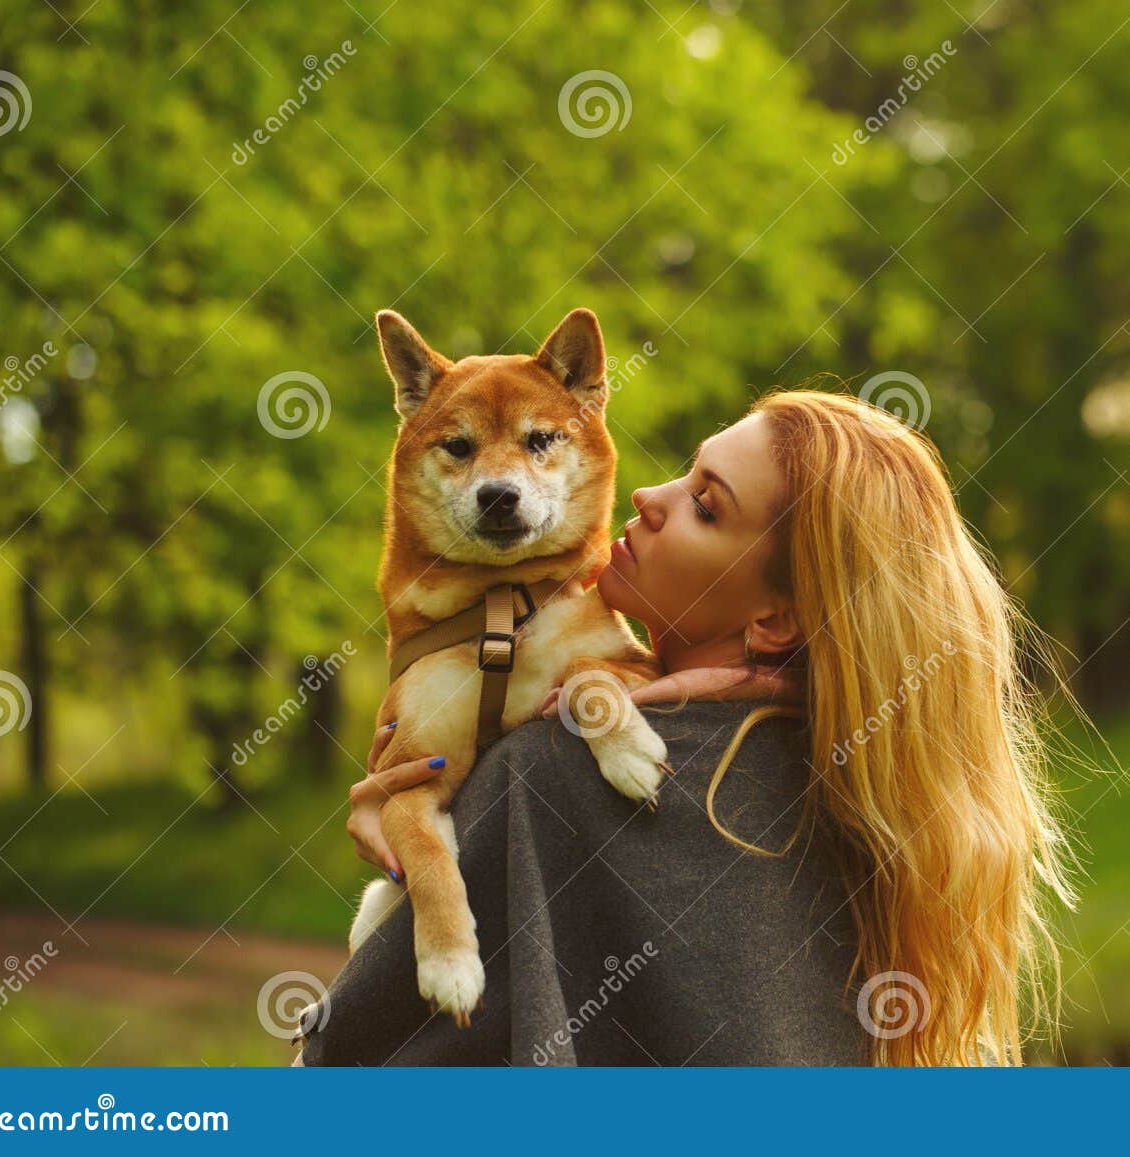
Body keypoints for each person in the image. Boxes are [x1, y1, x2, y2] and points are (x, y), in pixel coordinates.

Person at [300, 389, 1076, 1066]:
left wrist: (433, 836)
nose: (646, 494)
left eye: (706, 505)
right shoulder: (847, 777)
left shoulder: (558, 769)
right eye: (685, 469)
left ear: (775, 619)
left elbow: (347, 1061)